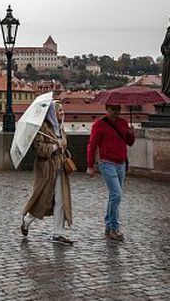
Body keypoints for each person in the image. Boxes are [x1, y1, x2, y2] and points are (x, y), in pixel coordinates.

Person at [20, 102, 74, 245]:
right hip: (46, 169)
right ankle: (27, 220)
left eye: (63, 109)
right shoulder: (43, 128)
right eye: (59, 110)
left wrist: (62, 145)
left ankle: (58, 233)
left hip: (60, 167)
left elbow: (64, 144)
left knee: (61, 200)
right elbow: (38, 147)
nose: (62, 112)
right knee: (42, 199)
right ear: (52, 112)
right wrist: (54, 146)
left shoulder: (60, 127)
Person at [87, 104, 135, 241]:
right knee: (116, 194)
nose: (116, 112)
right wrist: (90, 165)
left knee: (114, 196)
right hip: (107, 162)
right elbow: (92, 144)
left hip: (121, 162)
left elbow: (129, 143)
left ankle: (108, 225)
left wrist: (131, 134)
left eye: (118, 109)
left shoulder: (123, 123)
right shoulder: (100, 124)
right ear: (107, 109)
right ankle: (114, 228)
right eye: (114, 109)